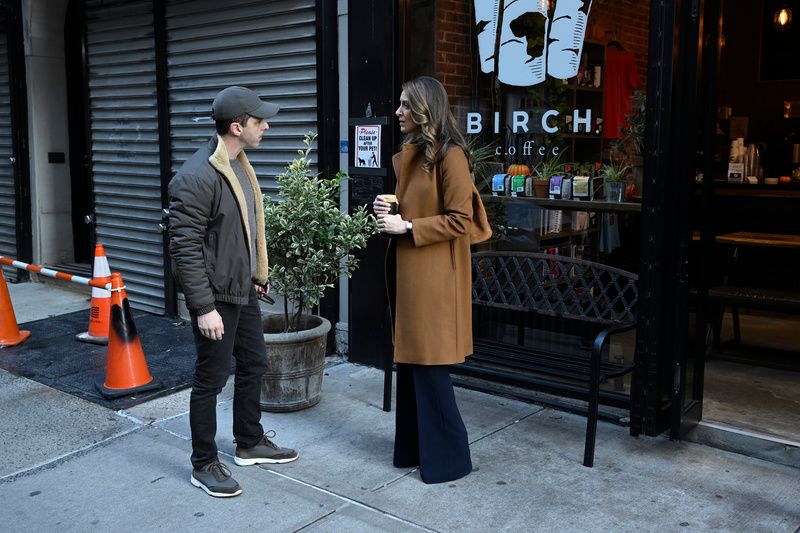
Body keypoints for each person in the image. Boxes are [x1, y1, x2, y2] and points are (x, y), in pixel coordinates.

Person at [168, 86, 298, 498]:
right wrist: (203, 307)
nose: (266, 126)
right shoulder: (196, 176)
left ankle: (249, 441)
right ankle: (203, 463)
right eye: (260, 121)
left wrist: (257, 274)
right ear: (238, 127)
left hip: (242, 289)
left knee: (255, 362)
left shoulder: (239, 163)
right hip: (216, 298)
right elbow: (184, 248)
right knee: (210, 379)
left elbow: (240, 231)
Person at [373, 76, 491, 484]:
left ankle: (451, 461)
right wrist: (390, 209)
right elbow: (417, 209)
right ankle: (413, 451)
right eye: (400, 103)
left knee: (430, 369)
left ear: (426, 109)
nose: (398, 111)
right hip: (411, 273)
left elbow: (461, 219)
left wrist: (406, 226)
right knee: (411, 365)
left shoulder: (450, 155)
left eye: (406, 105)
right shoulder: (416, 153)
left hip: (435, 277)